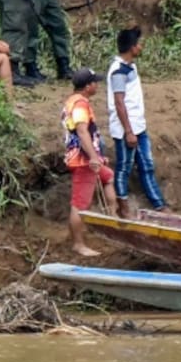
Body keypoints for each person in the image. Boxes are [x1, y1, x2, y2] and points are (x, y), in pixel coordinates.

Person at [108, 26, 169, 217]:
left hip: (138, 127)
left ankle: (159, 204)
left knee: (147, 165)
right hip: (127, 129)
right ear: (132, 48)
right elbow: (119, 102)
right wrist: (128, 131)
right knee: (124, 167)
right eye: (138, 44)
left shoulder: (130, 67)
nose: (141, 47)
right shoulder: (118, 72)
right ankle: (122, 205)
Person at [62, 68, 119, 256]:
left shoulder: (74, 100)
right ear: (88, 86)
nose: (97, 85)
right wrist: (94, 157)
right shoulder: (79, 105)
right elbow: (82, 131)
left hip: (86, 157)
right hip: (83, 160)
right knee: (79, 204)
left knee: (108, 176)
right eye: (95, 82)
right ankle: (78, 244)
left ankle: (112, 215)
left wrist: (99, 157)